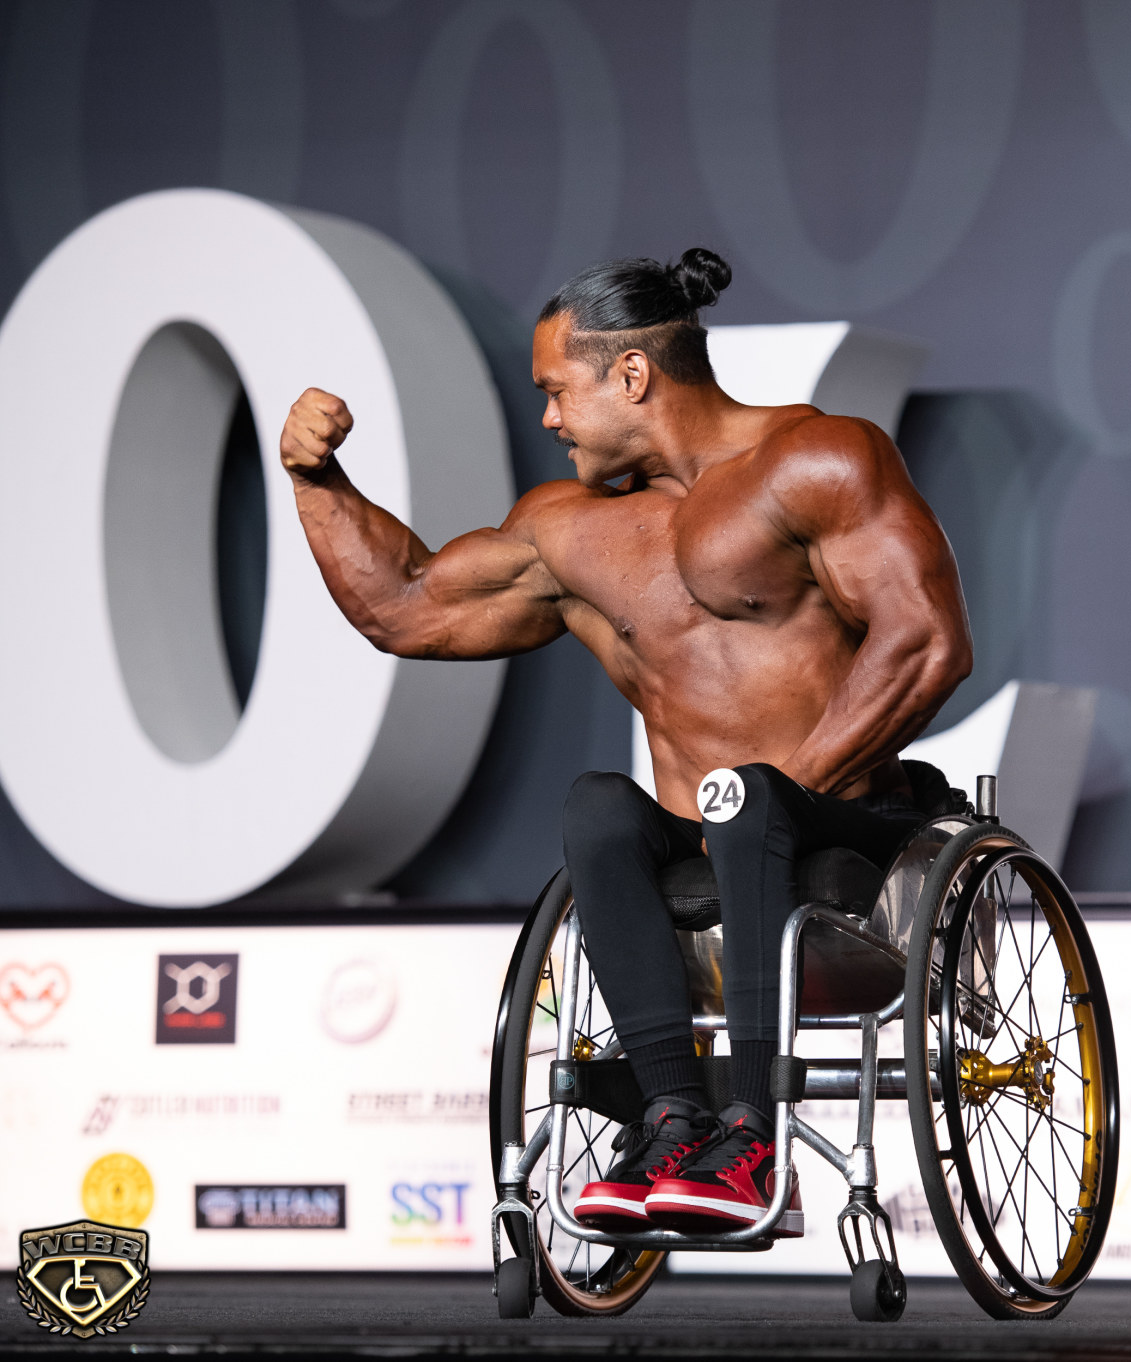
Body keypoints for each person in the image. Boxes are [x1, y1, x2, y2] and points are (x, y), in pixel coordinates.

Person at [278, 248, 972, 1236]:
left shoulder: (818, 461)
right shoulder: (569, 531)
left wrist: (775, 796)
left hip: (847, 837)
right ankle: (672, 1120)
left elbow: (926, 641)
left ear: (632, 375)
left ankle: (755, 1139)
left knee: (748, 799)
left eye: (557, 390)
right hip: (710, 851)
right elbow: (405, 609)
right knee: (598, 805)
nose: (549, 418)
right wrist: (316, 478)